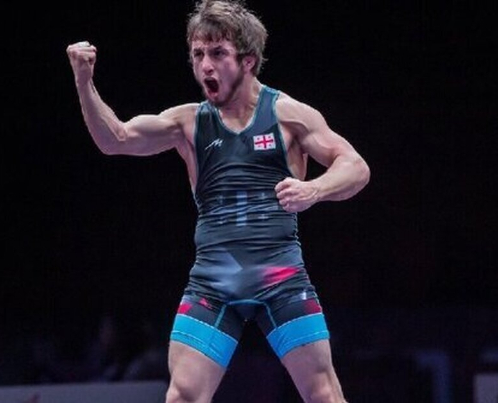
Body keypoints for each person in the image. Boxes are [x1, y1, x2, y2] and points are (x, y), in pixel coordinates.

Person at [66, 1, 370, 402]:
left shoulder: (288, 115)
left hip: (281, 279)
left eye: (217, 53)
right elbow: (115, 139)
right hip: (213, 284)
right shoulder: (188, 122)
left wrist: (315, 189)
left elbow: (355, 167)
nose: (205, 66)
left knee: (324, 395)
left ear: (248, 61)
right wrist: (84, 81)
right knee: (182, 396)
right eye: (197, 54)